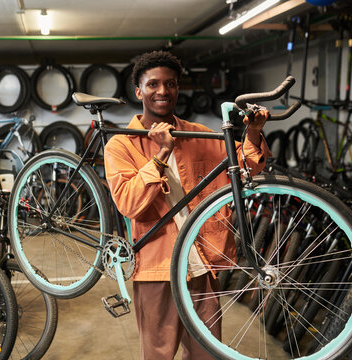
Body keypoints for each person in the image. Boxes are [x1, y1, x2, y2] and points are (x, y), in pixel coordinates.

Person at [103, 50, 271, 360]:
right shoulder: (121, 144)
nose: (163, 91)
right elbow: (129, 203)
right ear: (139, 91)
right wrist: (161, 155)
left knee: (208, 354)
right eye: (153, 84)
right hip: (156, 270)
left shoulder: (199, 135)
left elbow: (245, 167)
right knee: (158, 355)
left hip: (200, 265)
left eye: (171, 84)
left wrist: (253, 132)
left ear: (179, 89)